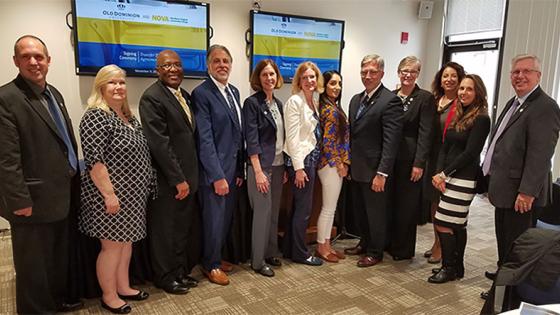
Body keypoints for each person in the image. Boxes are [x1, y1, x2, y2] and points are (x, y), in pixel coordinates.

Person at [0, 35, 82, 314]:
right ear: (16, 61)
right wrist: (18, 200)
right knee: (33, 264)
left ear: (49, 61)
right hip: (30, 198)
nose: (34, 62)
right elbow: (6, 158)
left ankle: (55, 300)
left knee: (56, 257)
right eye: (26, 56)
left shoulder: (54, 93)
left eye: (39, 57)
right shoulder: (6, 98)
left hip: (61, 192)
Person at [79, 64, 154, 313]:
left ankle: (124, 287)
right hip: (110, 197)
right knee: (111, 247)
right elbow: (95, 161)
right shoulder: (95, 116)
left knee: (126, 243)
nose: (119, 87)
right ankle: (109, 295)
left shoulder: (127, 116)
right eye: (112, 82)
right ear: (101, 86)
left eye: (122, 82)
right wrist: (109, 194)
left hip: (133, 197)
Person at [482, 54, 560, 282]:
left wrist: (527, 192)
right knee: (505, 240)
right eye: (516, 72)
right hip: (505, 189)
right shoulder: (514, 103)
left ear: (539, 76)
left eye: (527, 71)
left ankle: (510, 289)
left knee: (518, 244)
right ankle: (502, 274)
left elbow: (541, 155)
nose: (520, 76)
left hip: (522, 194)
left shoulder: (545, 107)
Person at [139, 50, 199, 294]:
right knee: (165, 231)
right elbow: (159, 143)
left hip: (188, 177)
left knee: (181, 229)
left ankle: (179, 272)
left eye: (177, 65)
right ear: (157, 70)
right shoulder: (151, 97)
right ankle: (164, 277)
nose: (173, 69)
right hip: (168, 180)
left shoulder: (183, 95)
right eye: (166, 66)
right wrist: (178, 179)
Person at [428, 74, 490, 283]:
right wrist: (439, 173)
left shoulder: (481, 118)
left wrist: (445, 173)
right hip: (448, 176)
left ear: (478, 92)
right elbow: (446, 146)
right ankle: (457, 267)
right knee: (457, 223)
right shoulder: (459, 114)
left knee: (443, 221)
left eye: (469, 89)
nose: (463, 92)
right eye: (462, 88)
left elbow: (471, 153)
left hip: (463, 178)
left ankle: (448, 267)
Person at [192, 44, 244, 286]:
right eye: (217, 61)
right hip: (216, 174)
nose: (222, 65)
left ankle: (216, 257)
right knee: (213, 221)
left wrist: (240, 169)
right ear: (208, 65)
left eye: (226, 60)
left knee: (224, 221)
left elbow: (238, 134)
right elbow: (205, 139)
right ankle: (210, 265)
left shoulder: (234, 91)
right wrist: (217, 176)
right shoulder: (202, 94)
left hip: (233, 171)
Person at [345, 54, 403, 267]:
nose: (367, 76)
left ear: (381, 74)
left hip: (376, 171)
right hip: (358, 168)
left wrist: (382, 173)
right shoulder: (355, 100)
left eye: (372, 72)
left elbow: (391, 142)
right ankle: (364, 242)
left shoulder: (390, 101)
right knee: (361, 212)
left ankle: (376, 251)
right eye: (364, 72)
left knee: (376, 214)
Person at [387, 56, 436, 260]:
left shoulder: (424, 98)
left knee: (406, 206)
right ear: (398, 72)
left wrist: (419, 163)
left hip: (410, 160)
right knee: (390, 203)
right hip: (390, 159)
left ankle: (403, 249)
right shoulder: (390, 96)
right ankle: (389, 244)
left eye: (413, 71)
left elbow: (426, 133)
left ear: (418, 74)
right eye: (404, 70)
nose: (408, 75)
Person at [243, 59, 285, 277]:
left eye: (272, 74)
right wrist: (258, 171)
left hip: (278, 166)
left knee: (274, 213)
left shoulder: (278, 104)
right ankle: (258, 262)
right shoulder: (252, 104)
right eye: (264, 75)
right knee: (262, 214)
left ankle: (270, 252)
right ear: (258, 79)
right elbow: (252, 140)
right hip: (261, 167)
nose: (269, 78)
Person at [282, 61, 324, 266]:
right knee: (303, 209)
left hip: (310, 159)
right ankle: (300, 253)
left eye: (312, 77)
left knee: (300, 207)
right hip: (301, 161)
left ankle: (291, 249)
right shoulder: (295, 102)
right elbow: (292, 138)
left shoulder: (313, 101)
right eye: (305, 77)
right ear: (299, 80)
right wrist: (298, 168)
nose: (309, 81)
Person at [423, 62, 466, 264]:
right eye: (445, 76)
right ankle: (436, 241)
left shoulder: (462, 103)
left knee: (445, 206)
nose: (449, 79)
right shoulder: (434, 100)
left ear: (460, 79)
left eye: (453, 76)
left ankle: (443, 246)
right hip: (432, 158)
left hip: (449, 160)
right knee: (434, 202)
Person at [315, 70, 350, 263]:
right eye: (332, 83)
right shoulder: (329, 110)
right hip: (329, 164)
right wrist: (339, 165)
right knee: (328, 208)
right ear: (324, 86)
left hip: (333, 164)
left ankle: (327, 244)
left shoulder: (333, 106)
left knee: (331, 207)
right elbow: (328, 142)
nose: (336, 87)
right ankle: (321, 247)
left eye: (339, 83)